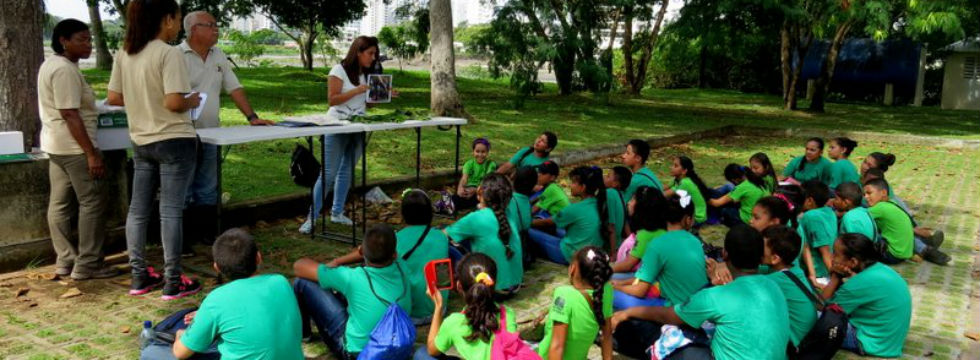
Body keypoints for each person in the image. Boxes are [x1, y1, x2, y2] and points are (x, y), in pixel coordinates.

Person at [106, 0, 202, 299]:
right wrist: (193, 100)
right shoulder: (169, 53)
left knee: (138, 210)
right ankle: (173, 281)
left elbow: (113, 97)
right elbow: (174, 102)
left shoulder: (125, 53)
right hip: (174, 139)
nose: (177, 24)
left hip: (142, 140)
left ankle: (139, 276)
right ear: (167, 20)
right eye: (177, 18)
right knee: (170, 211)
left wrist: (140, 98)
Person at [610, 225, 790, 360]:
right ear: (761, 257)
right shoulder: (773, 286)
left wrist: (627, 313)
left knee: (655, 330)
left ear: (725, 254)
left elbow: (668, 316)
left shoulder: (718, 296)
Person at [178, 11, 274, 252]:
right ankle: (183, 239)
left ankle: (208, 234)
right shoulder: (175, 56)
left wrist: (252, 117)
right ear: (192, 29)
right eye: (210, 25)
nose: (216, 29)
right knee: (184, 187)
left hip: (212, 132)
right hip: (182, 133)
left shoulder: (218, 55)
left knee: (209, 186)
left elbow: (235, 88)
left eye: (216, 25)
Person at [38, 19, 118, 280]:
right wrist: (91, 153)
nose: (88, 44)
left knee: (60, 204)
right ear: (64, 40)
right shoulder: (64, 70)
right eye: (81, 39)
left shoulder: (51, 64)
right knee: (93, 201)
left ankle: (66, 260)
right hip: (74, 148)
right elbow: (70, 113)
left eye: (89, 39)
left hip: (55, 145)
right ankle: (88, 264)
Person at [159, 229, 303, 360]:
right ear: (258, 257)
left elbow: (180, 353)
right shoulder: (280, 282)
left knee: (153, 352)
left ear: (217, 268)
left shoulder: (216, 300)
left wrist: (180, 335)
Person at [300, 36, 394, 233]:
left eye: (375, 54)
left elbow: (365, 103)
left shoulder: (365, 74)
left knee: (346, 172)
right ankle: (312, 217)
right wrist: (358, 90)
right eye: (370, 53)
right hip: (336, 126)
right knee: (328, 174)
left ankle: (337, 212)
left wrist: (384, 95)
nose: (373, 57)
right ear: (358, 52)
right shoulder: (338, 70)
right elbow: (332, 100)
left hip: (358, 126)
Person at [322, 190, 449, 322]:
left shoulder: (396, 238)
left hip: (406, 313)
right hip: (438, 309)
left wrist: (337, 261)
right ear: (430, 213)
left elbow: (369, 249)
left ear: (404, 214)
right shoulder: (441, 237)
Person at [292, 224, 412, 359]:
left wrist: (333, 265)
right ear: (395, 254)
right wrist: (339, 261)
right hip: (396, 344)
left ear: (361, 251)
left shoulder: (351, 277)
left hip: (357, 353)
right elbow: (378, 252)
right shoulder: (402, 266)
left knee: (302, 283)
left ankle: (305, 335)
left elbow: (299, 266)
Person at [820, 233, 911, 358]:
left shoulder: (858, 284)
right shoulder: (880, 269)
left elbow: (821, 307)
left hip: (868, 342)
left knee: (810, 316)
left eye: (835, 254)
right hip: (888, 342)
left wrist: (835, 278)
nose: (832, 258)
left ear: (853, 262)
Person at [613, 194, 707, 312]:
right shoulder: (695, 241)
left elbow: (640, 291)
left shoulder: (657, 244)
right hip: (697, 305)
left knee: (607, 294)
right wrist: (620, 283)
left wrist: (616, 286)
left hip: (675, 309)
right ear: (688, 220)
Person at [418, 253, 518, 360]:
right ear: (493, 283)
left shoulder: (454, 322)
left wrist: (438, 307)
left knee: (421, 354)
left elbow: (432, 350)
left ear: (459, 286)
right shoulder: (507, 314)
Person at [445, 174, 523, 296]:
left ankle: (449, 282)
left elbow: (443, 235)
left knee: (447, 243)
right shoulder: (508, 213)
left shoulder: (476, 218)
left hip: (491, 290)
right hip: (515, 286)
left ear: (480, 190)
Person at [537, 246, 614, 360]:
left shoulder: (564, 294)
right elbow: (607, 335)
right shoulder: (607, 290)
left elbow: (557, 347)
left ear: (572, 269)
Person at [529, 167, 607, 265]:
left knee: (529, 230)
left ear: (583, 187)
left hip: (569, 255)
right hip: (589, 251)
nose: (570, 185)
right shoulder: (599, 203)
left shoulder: (575, 208)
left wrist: (526, 223)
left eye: (574, 183)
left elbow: (547, 222)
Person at [864, 179, 950, 265]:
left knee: (865, 234)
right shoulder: (893, 203)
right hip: (904, 255)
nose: (865, 197)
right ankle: (920, 249)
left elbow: (858, 216)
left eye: (869, 193)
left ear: (883, 192)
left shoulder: (880, 208)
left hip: (892, 256)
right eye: (864, 194)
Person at [761, 225, 818, 350]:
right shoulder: (795, 270)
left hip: (794, 344)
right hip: (808, 337)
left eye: (761, 249)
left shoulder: (773, 281)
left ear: (775, 258)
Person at [611, 186, 667, 276]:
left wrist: (605, 268)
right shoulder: (662, 229)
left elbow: (627, 265)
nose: (628, 203)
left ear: (642, 207)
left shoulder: (645, 234)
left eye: (633, 200)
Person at [798, 181, 837, 286]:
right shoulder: (829, 211)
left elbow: (824, 250)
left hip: (818, 274)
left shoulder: (811, 217)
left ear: (810, 201)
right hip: (825, 271)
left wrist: (835, 281)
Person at [663, 156, 710, 225]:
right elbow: (663, 187)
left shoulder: (685, 183)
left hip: (697, 217)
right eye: (672, 165)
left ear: (684, 171)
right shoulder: (677, 179)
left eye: (675, 166)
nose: (671, 167)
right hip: (689, 213)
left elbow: (663, 195)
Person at [453, 138, 497, 211]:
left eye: (483, 152)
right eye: (477, 151)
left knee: (483, 198)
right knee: (457, 197)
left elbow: (487, 182)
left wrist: (476, 190)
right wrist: (460, 188)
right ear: (473, 152)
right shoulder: (469, 163)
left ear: (487, 152)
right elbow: (464, 178)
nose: (480, 154)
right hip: (469, 189)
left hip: (482, 190)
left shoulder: (490, 165)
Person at [602, 167, 630, 254]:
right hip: (618, 243)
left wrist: (613, 253)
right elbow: (625, 222)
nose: (604, 177)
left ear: (615, 184)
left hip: (609, 246)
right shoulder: (621, 194)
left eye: (608, 176)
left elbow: (611, 226)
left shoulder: (609, 193)